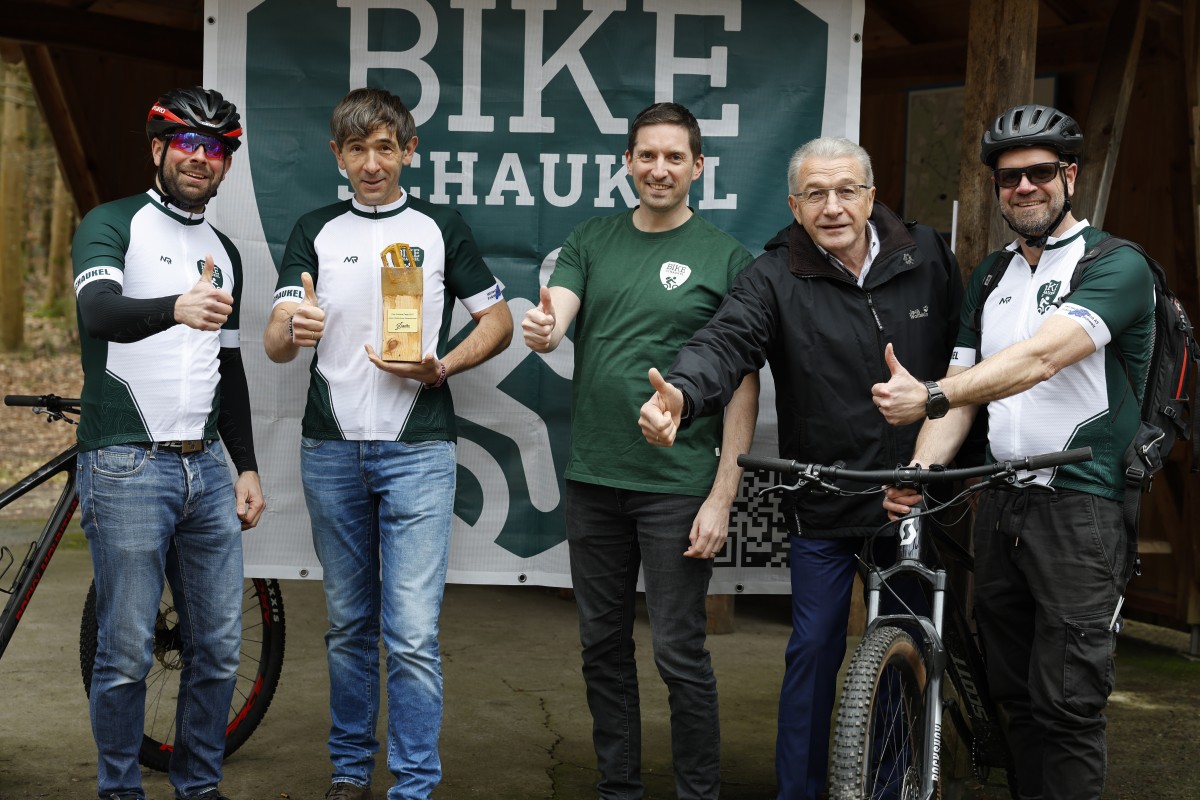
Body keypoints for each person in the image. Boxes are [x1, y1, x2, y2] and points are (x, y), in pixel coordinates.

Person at [638, 136, 963, 800]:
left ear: (871, 196)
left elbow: (969, 363)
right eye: (815, 194)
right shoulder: (772, 275)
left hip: (915, 491)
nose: (832, 206)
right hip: (825, 494)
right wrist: (683, 394)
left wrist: (943, 467)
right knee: (813, 649)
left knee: (907, 644)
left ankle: (890, 786)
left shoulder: (928, 255)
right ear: (794, 205)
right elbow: (725, 342)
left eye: (846, 191)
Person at [872, 104, 1154, 800]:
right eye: (1008, 178)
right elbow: (967, 396)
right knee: (1013, 695)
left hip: (1082, 509)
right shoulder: (991, 277)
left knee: (1069, 703)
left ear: (1070, 177)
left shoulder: (1116, 264)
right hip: (1000, 507)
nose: (1024, 187)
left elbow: (1041, 359)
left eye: (1039, 173)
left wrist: (930, 395)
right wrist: (919, 472)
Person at [263, 87, 512, 800]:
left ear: (409, 151)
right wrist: (293, 326)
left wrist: (445, 365)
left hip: (419, 450)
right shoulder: (314, 229)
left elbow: (496, 320)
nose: (371, 164)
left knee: (410, 634)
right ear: (337, 156)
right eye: (356, 149)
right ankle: (349, 771)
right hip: (331, 450)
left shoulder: (439, 226)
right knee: (348, 625)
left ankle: (413, 784)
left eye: (384, 148)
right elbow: (277, 343)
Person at [521, 102, 756, 800]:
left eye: (674, 157)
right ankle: (617, 789)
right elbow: (559, 308)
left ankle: (697, 793)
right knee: (602, 648)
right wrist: (545, 327)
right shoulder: (591, 238)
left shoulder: (728, 259)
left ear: (698, 167)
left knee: (678, 652)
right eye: (647, 155)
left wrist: (722, 496)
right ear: (627, 162)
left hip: (679, 486)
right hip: (595, 479)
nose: (659, 169)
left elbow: (744, 388)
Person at [72, 87, 265, 800]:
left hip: (206, 468)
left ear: (225, 166)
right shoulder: (111, 222)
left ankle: (199, 787)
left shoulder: (225, 253)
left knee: (217, 649)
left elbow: (229, 367)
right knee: (125, 654)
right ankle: (120, 791)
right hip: (125, 461)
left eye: (215, 149)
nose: (199, 158)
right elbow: (98, 312)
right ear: (158, 149)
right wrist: (175, 308)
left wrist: (246, 466)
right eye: (187, 143)